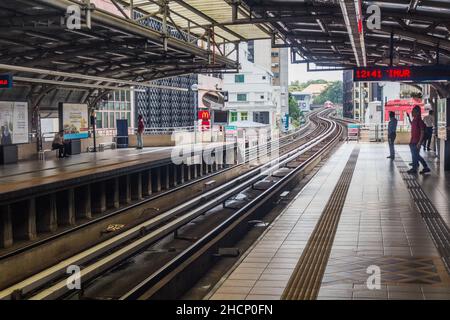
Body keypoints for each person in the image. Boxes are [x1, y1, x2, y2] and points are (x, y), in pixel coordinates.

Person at [407, 105, 430, 174]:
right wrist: (408, 118)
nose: (412, 113)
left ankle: (424, 167)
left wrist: (419, 143)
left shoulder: (420, 121)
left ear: (417, 112)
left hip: (416, 141)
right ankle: (416, 166)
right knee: (415, 155)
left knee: (416, 155)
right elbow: (412, 124)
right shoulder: (414, 120)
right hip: (412, 140)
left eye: (413, 111)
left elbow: (422, 132)